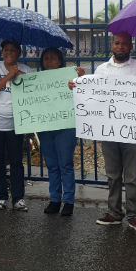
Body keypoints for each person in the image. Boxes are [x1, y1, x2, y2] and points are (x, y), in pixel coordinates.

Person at [93, 32, 136, 232]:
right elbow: (94, 97)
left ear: (131, 46)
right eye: (117, 43)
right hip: (109, 131)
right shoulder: (101, 70)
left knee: (132, 176)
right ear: (112, 45)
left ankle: (134, 215)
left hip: (133, 131)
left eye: (125, 43)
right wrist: (78, 85)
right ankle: (114, 213)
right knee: (113, 174)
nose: (121, 46)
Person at [0, 40, 32, 212]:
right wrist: (10, 75)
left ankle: (18, 198)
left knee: (17, 161)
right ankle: (1, 196)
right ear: (2, 52)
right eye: (6, 50)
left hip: (16, 124)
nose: (9, 53)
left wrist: (22, 77)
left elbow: (33, 94)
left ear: (19, 53)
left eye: (13, 50)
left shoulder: (27, 70)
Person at [38, 48, 84, 216]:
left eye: (53, 58)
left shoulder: (70, 78)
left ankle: (69, 201)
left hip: (65, 126)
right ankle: (55, 199)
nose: (49, 61)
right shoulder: (36, 80)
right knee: (52, 165)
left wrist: (80, 80)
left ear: (60, 61)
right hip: (46, 127)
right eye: (46, 58)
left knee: (65, 164)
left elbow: (83, 94)